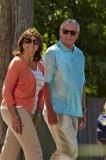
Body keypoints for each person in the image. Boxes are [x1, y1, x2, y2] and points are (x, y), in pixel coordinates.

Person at [42, 18, 86, 160]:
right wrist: (49, 110)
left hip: (74, 111)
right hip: (57, 109)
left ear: (77, 35)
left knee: (66, 152)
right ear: (60, 32)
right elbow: (45, 83)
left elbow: (82, 84)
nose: (68, 35)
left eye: (72, 32)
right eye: (65, 31)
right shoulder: (51, 53)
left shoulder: (80, 55)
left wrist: (83, 110)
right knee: (70, 151)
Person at [0, 28, 44, 160]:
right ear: (22, 44)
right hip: (14, 109)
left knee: (9, 152)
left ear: (38, 46)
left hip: (29, 112)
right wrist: (15, 117)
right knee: (35, 151)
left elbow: (42, 91)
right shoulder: (17, 63)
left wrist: (38, 112)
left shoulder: (40, 66)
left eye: (35, 42)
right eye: (28, 40)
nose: (31, 44)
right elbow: (6, 90)